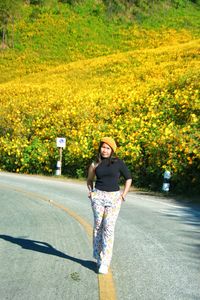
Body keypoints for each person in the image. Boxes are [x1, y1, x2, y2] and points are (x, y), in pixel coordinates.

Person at [87, 137, 132, 274]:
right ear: (99, 148)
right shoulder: (95, 164)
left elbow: (128, 178)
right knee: (98, 226)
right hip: (98, 197)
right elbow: (89, 180)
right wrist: (91, 193)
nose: (104, 150)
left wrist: (124, 194)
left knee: (108, 227)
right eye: (103, 147)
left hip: (113, 198)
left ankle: (105, 261)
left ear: (112, 150)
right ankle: (98, 257)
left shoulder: (118, 163)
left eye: (107, 148)